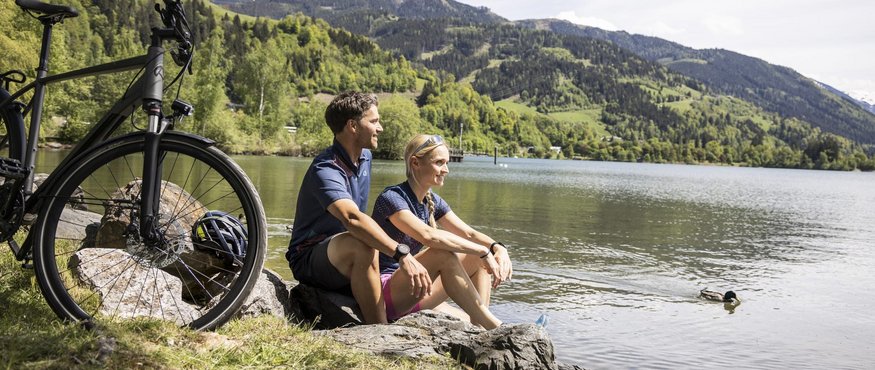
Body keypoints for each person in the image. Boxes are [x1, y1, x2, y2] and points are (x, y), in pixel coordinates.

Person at [286, 92, 431, 324]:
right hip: (309, 258)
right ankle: (379, 330)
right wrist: (401, 253)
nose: (380, 128)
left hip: (343, 253)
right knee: (363, 244)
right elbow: (352, 218)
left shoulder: (365, 157)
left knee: (433, 255)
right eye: (374, 121)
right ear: (353, 125)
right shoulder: (325, 169)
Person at [371, 134, 513, 329]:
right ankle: (497, 328)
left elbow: (469, 234)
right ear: (415, 163)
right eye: (439, 163)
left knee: (476, 258)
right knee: (443, 254)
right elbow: (428, 236)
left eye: (446, 163)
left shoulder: (432, 202)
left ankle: (480, 326)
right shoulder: (392, 198)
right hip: (385, 293)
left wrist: (497, 248)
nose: (446, 169)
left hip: (416, 286)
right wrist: (483, 251)